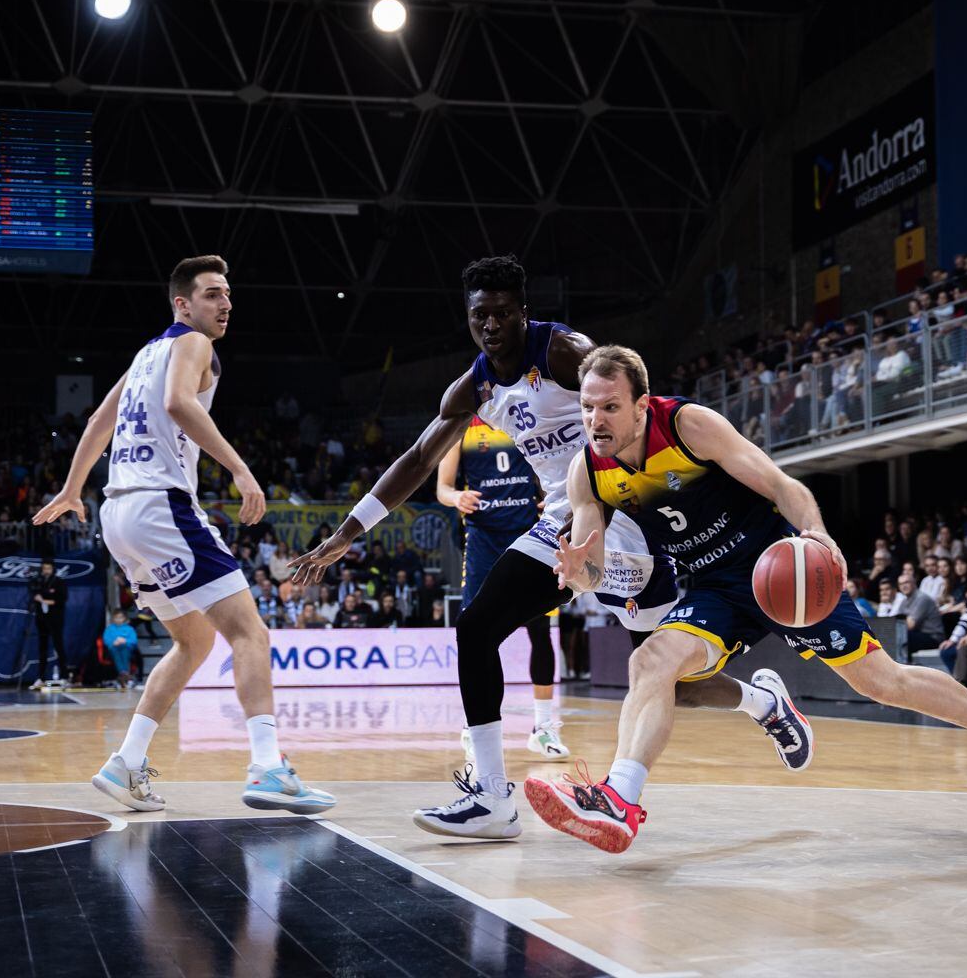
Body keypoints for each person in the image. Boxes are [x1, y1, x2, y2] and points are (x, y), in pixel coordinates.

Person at [291, 255, 779, 841]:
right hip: (561, 522)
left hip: (630, 520)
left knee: (671, 683)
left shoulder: (564, 353)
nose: (491, 325)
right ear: (469, 320)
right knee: (475, 629)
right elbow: (418, 460)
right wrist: (346, 534)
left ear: (524, 312)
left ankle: (761, 703)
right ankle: (493, 798)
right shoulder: (474, 386)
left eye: (502, 313)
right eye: (480, 316)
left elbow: (631, 400)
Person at [527, 346, 967, 853]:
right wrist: (581, 574)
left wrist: (818, 536)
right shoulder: (588, 471)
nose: (596, 420)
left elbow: (785, 487)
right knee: (651, 660)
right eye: (587, 406)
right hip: (717, 588)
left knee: (884, 683)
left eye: (610, 407)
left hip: (780, 572)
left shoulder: (689, 426)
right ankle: (620, 799)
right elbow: (592, 559)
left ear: (642, 405)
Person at [33, 254, 333, 815]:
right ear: (183, 304)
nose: (225, 304)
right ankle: (268, 766)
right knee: (250, 633)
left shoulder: (145, 354)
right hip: (160, 505)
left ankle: (126, 762)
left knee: (194, 641)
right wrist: (240, 469)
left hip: (118, 514)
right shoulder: (193, 344)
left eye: (227, 295)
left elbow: (99, 419)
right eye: (213, 294)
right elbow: (177, 402)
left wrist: (74, 489)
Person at [438, 417, 569, 760]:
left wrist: (550, 497)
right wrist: (457, 497)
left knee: (541, 631)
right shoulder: (461, 427)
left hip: (528, 533)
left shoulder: (526, 418)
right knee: (476, 632)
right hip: (482, 541)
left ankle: (542, 728)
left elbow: (554, 466)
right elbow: (442, 488)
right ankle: (475, 725)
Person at [27, 560, 69, 687]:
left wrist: (46, 600)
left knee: (58, 645)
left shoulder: (59, 582)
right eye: (44, 568)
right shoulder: (38, 582)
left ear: (53, 569)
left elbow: (62, 599)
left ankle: (64, 676)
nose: (46, 571)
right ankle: (41, 677)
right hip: (41, 617)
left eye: (49, 568)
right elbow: (33, 594)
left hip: (55, 617)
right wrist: (38, 599)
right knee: (42, 647)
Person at [102, 609, 138, 690]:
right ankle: (123, 673)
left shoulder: (129, 629)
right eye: (116, 617)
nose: (118, 619)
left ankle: (124, 673)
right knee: (116, 651)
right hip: (114, 648)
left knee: (124, 650)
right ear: (113, 618)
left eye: (120, 617)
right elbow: (106, 639)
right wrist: (113, 643)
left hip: (127, 648)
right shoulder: (109, 628)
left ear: (124, 618)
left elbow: (134, 640)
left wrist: (125, 641)